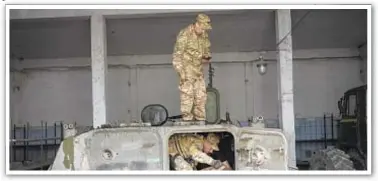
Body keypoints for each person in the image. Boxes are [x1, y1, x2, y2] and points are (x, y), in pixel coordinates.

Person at [172, 13, 212, 123]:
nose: (204, 31)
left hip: (198, 70)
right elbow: (177, 56)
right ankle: (187, 121)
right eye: (203, 28)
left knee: (201, 97)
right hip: (187, 68)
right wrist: (181, 73)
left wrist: (206, 56)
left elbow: (206, 50)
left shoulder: (204, 35)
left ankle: (200, 121)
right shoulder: (185, 35)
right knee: (187, 96)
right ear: (198, 24)